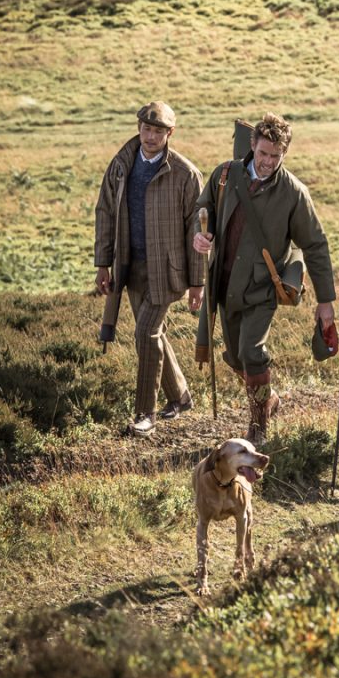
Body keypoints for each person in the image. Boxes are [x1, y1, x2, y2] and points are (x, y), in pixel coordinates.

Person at [193, 112, 336, 444]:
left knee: (252, 351)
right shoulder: (224, 175)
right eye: (263, 153)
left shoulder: (293, 193)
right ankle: (267, 399)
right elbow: (203, 211)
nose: (269, 161)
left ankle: (258, 427)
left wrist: (326, 301)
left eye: (276, 155)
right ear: (253, 145)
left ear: (284, 153)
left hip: (262, 288)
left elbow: (315, 244)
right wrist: (200, 235)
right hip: (223, 285)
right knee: (234, 356)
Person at [95, 102, 204, 436]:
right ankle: (181, 397)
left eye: (158, 131)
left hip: (168, 271)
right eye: (146, 129)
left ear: (170, 134)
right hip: (130, 266)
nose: (151, 136)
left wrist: (198, 282)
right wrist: (103, 263)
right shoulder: (120, 165)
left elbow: (197, 232)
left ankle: (146, 414)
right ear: (139, 127)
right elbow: (104, 212)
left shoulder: (185, 174)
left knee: (145, 333)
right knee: (155, 334)